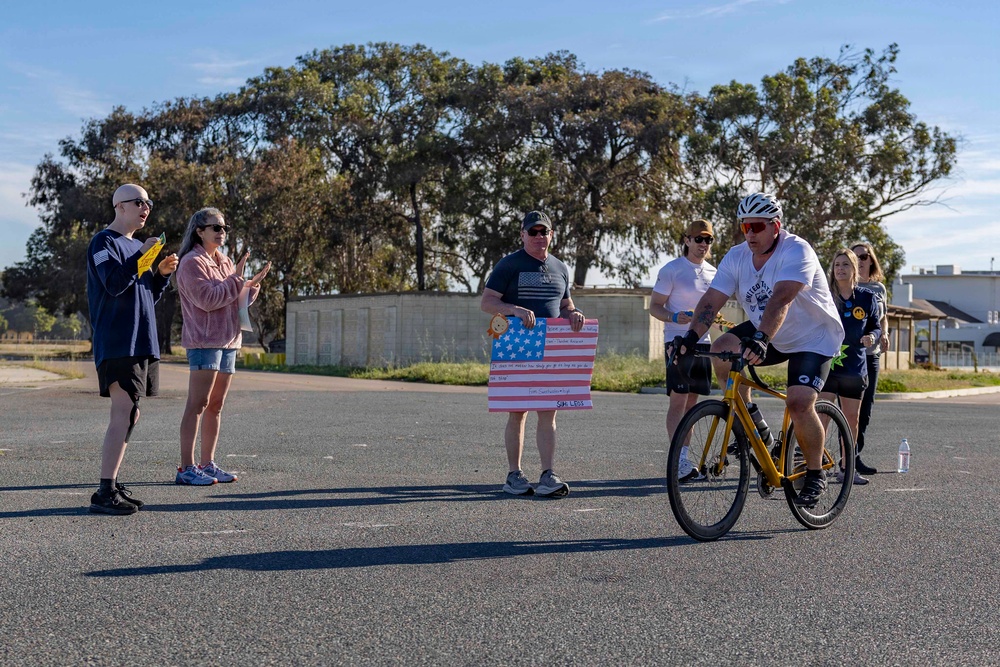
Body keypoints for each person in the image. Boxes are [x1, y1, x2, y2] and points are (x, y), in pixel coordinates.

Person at [669, 193, 844, 508]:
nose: (749, 233)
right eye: (745, 226)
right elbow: (711, 301)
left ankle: (815, 474)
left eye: (757, 226)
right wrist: (690, 337)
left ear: (775, 226)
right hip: (770, 331)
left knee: (799, 402)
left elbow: (781, 299)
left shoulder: (796, 250)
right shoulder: (736, 256)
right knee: (722, 350)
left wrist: (762, 336)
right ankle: (757, 428)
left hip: (812, 336)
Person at [86, 183, 179, 515]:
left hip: (141, 341)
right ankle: (103, 492)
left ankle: (110, 485)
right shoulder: (104, 242)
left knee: (132, 412)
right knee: (122, 411)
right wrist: (142, 255)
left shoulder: (139, 246)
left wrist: (161, 276)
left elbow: (143, 297)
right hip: (118, 340)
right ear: (119, 206)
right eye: (139, 202)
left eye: (149, 203)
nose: (146, 208)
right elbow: (113, 284)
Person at [480, 211, 586, 498]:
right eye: (533, 231)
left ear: (552, 235)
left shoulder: (561, 267)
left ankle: (548, 474)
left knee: (549, 412)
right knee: (518, 411)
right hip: (518, 347)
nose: (539, 236)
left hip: (551, 349)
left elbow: (566, 305)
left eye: (544, 232)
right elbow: (487, 302)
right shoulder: (509, 264)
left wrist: (574, 314)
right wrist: (513, 310)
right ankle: (514, 475)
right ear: (523, 235)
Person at [173, 208, 270, 485]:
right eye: (215, 227)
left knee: (216, 405)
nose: (221, 232)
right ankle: (186, 468)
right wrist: (236, 280)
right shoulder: (191, 263)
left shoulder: (225, 261)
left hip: (229, 341)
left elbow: (235, 299)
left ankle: (208, 463)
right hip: (205, 342)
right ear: (199, 231)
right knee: (198, 404)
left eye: (223, 227)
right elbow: (208, 300)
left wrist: (251, 286)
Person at [649, 219, 717, 481]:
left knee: (691, 404)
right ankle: (678, 462)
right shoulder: (672, 270)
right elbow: (655, 306)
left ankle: (685, 461)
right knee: (678, 402)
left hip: (703, 343)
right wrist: (673, 317)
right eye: (698, 239)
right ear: (686, 240)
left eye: (708, 240)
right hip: (677, 343)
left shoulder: (714, 273)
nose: (703, 245)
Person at [819, 249, 882, 486]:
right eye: (837, 265)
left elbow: (875, 326)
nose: (840, 269)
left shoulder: (867, 298)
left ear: (854, 268)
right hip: (827, 364)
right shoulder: (824, 296)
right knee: (821, 416)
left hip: (855, 367)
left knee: (851, 419)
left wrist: (872, 337)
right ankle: (816, 467)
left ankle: (847, 468)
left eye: (846, 264)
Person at [851, 241, 890, 475]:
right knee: (843, 408)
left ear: (871, 260)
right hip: (848, 356)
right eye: (855, 258)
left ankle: (855, 456)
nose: (860, 262)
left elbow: (883, 317)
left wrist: (884, 332)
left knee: (865, 409)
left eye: (864, 257)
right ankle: (823, 459)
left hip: (871, 355)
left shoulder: (879, 289)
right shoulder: (845, 286)